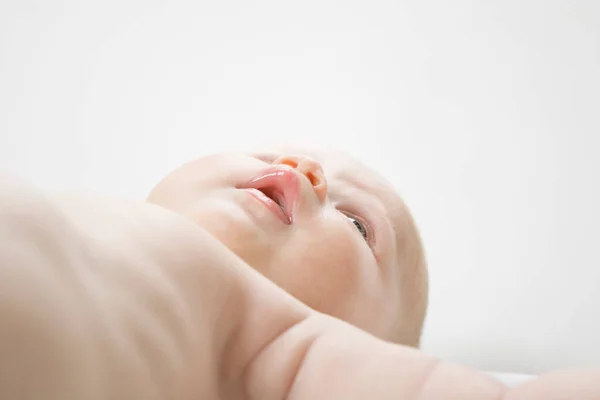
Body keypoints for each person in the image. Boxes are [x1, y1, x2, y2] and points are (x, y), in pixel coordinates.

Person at [0, 148, 598, 399]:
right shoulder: (89, 222)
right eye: (268, 152)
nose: (300, 167)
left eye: (359, 225)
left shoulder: (279, 342)